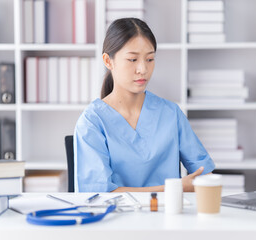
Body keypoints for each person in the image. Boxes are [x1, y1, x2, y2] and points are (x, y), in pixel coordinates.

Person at [74, 18, 215, 193]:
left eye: (149, 59)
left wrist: (200, 183)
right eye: (132, 59)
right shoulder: (92, 121)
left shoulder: (170, 114)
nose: (143, 69)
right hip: (116, 218)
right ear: (108, 61)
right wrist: (173, 189)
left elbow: (204, 173)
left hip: (169, 217)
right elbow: (98, 194)